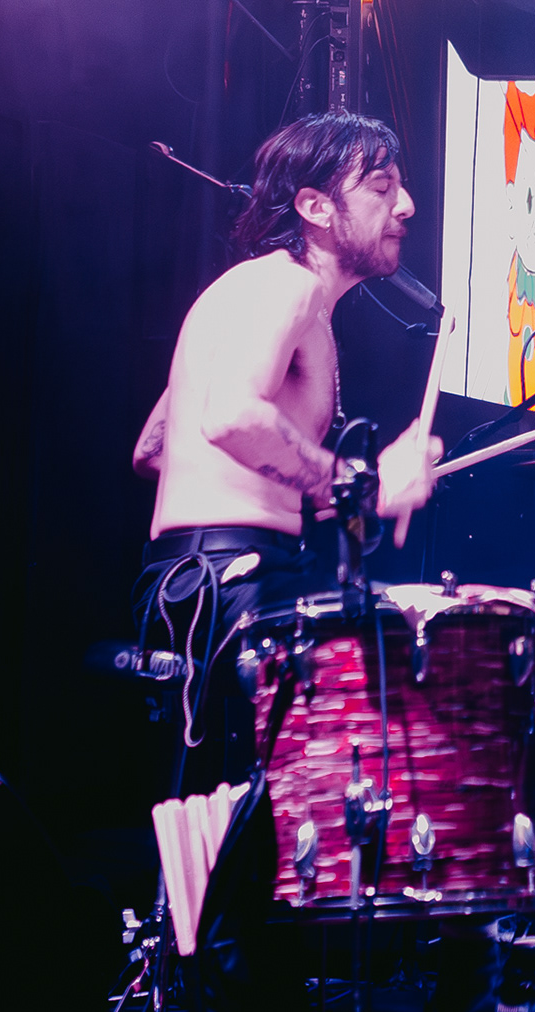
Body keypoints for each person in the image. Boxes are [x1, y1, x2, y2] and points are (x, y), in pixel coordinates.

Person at [132, 113, 444, 783]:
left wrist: (343, 489)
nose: (406, 206)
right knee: (426, 673)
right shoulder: (288, 286)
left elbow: (155, 448)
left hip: (196, 578)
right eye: (382, 188)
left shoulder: (254, 292)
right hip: (234, 586)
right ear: (315, 207)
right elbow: (229, 418)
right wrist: (363, 486)